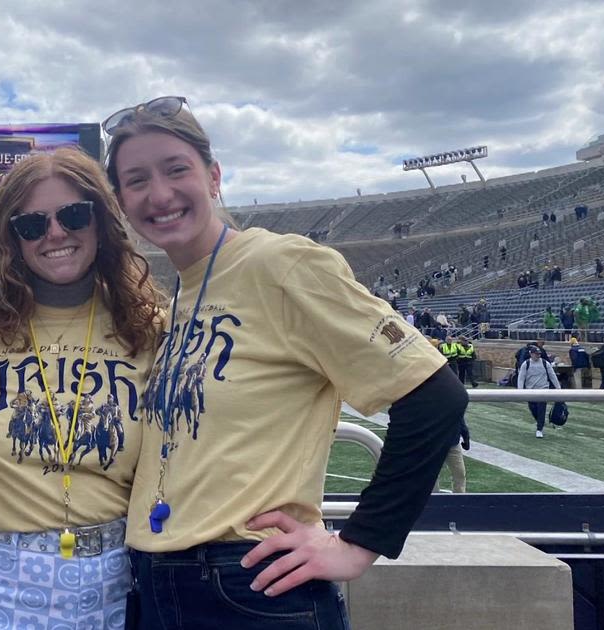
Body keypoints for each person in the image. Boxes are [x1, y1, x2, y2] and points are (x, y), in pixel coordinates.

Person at [103, 96, 467, 629]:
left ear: (213, 176)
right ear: (121, 200)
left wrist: (359, 542)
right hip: (159, 582)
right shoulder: (180, 300)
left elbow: (435, 396)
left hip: (249, 585)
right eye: (136, 180)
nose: (159, 193)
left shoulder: (281, 263)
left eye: (175, 169)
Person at [0, 148, 162, 629]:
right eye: (32, 225)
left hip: (119, 581)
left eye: (74, 215)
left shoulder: (147, 329)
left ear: (101, 221)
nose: (56, 233)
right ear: (10, 238)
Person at [517, 345, 560, 438]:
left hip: (543, 390)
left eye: (539, 354)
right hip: (530, 391)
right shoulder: (526, 364)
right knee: (533, 409)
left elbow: (552, 375)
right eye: (536, 354)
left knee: (541, 409)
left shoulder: (545, 363)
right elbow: (521, 378)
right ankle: (540, 423)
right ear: (531, 354)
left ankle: (539, 429)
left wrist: (558, 388)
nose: (538, 356)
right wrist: (520, 390)